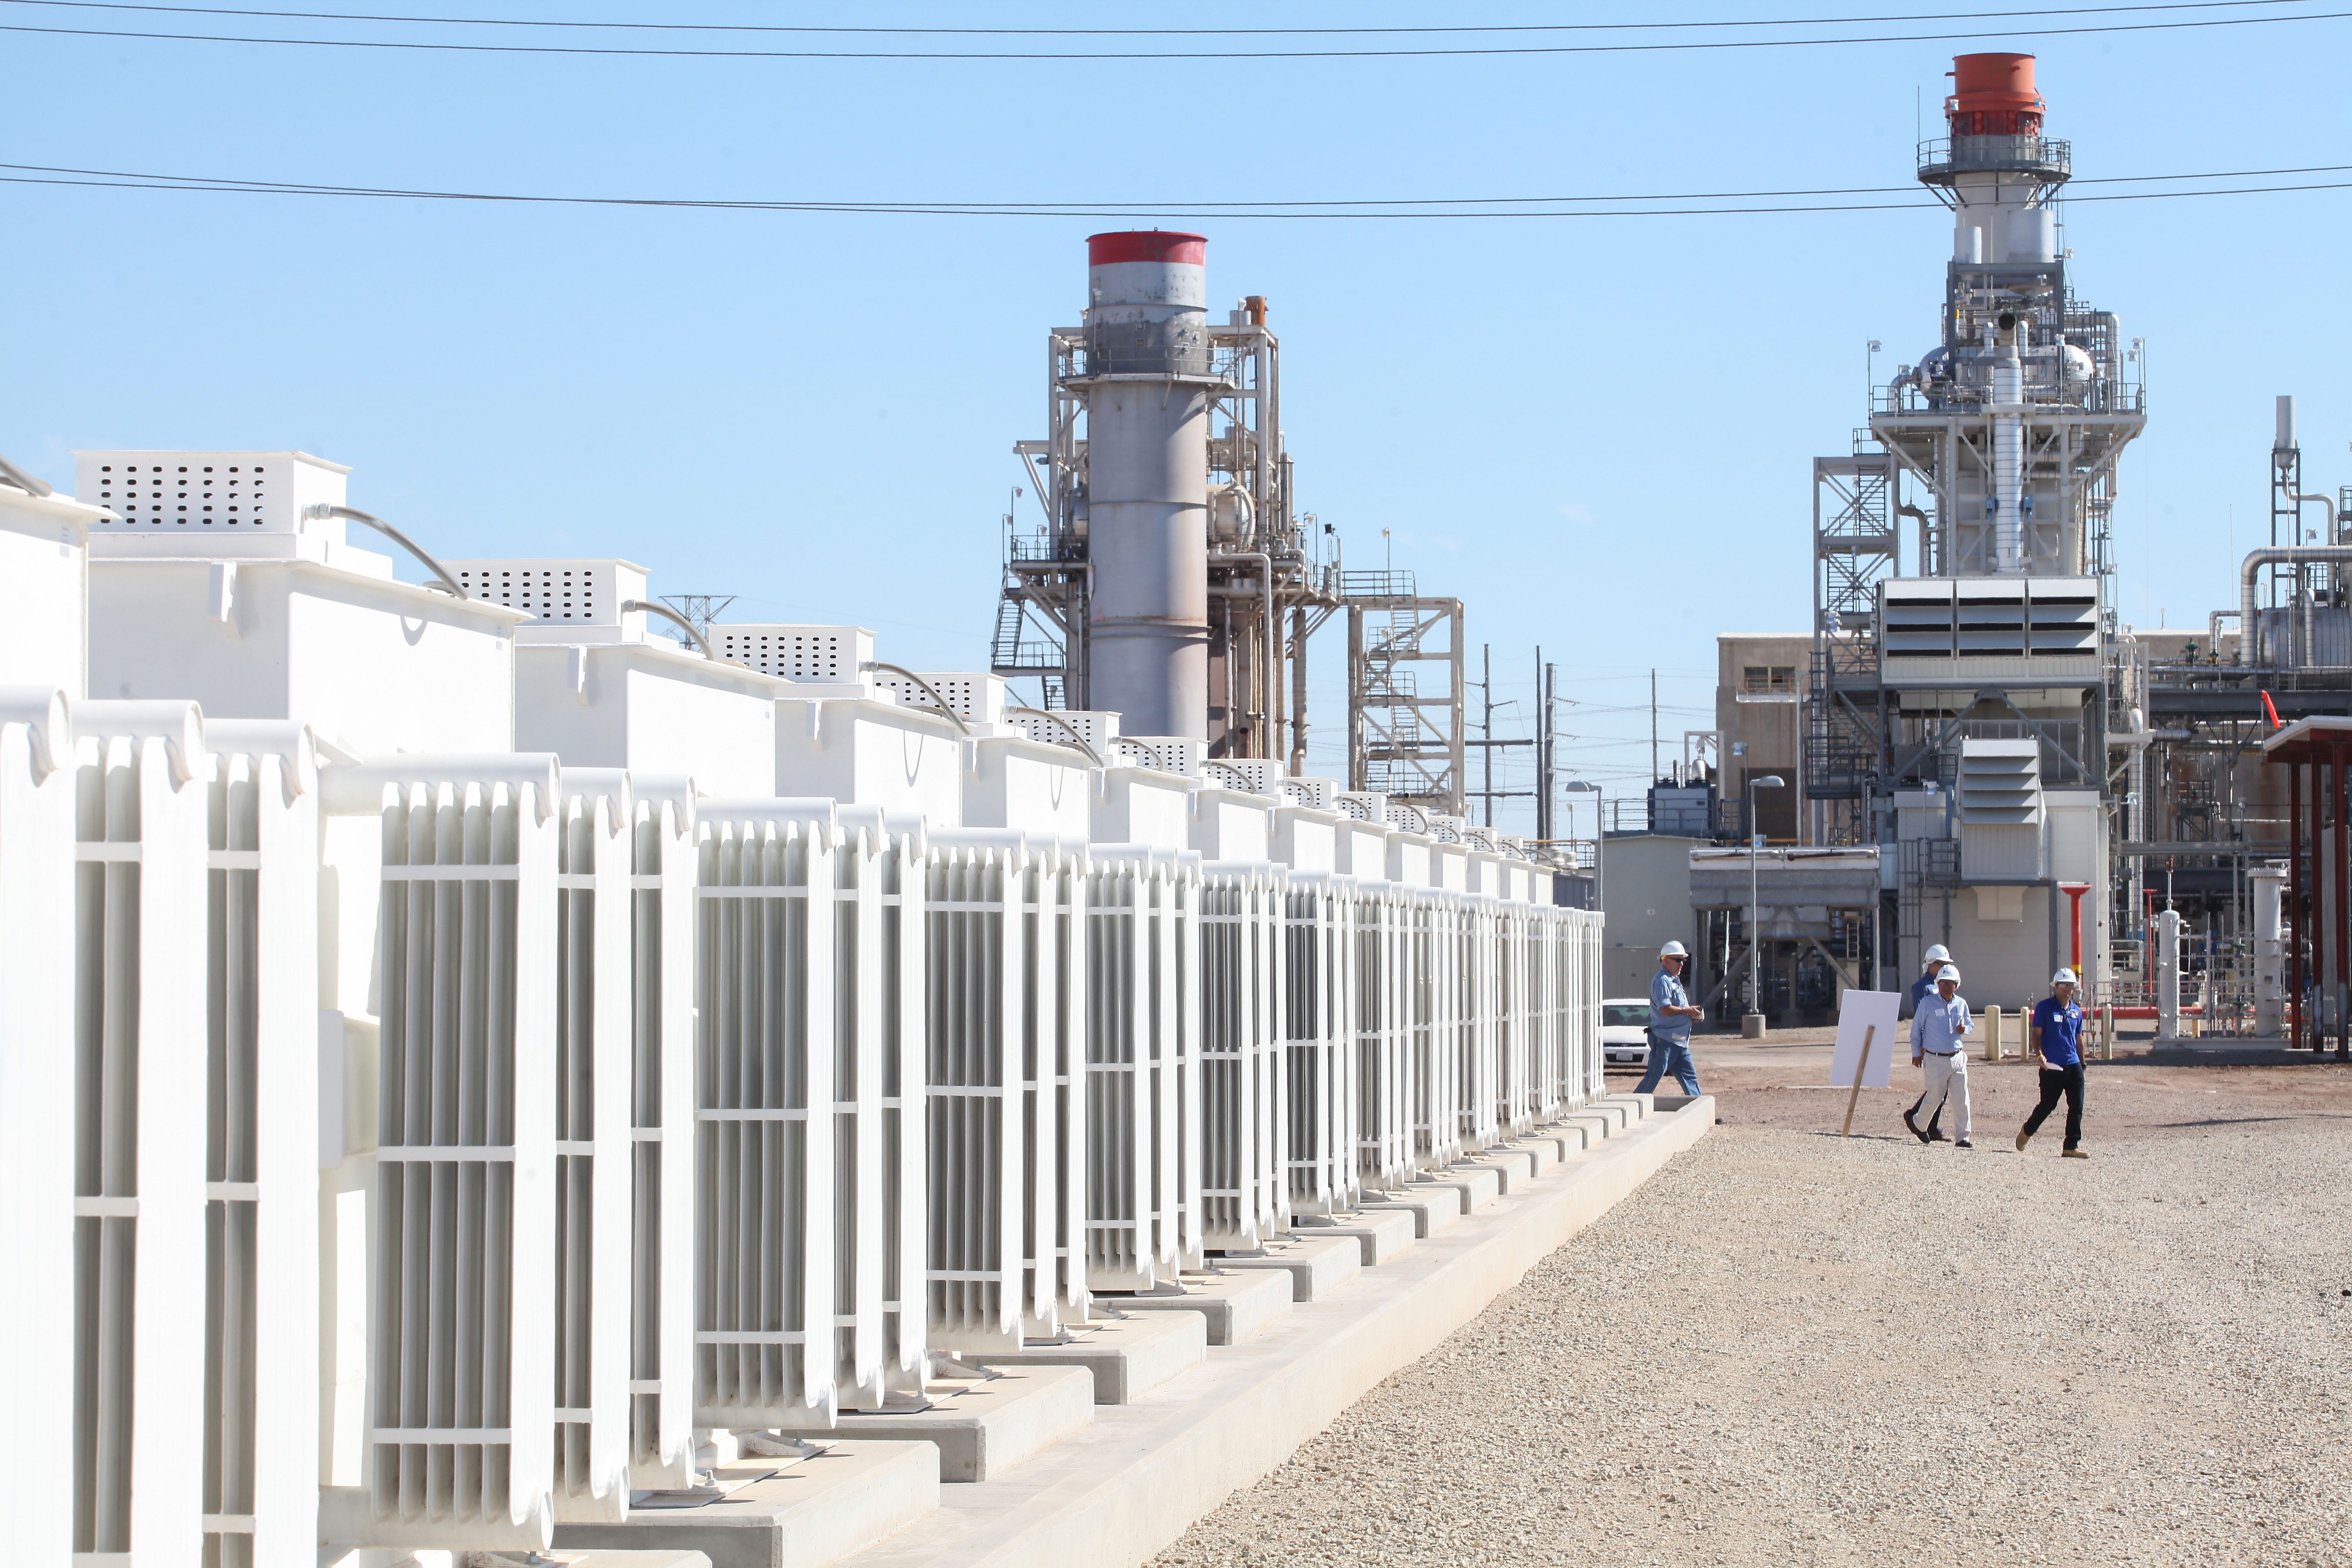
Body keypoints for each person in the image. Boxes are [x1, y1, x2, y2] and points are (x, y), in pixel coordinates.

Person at [2018, 967, 2091, 1158]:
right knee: (2048, 1104)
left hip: (2073, 1064)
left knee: (2077, 1106)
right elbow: (2036, 1034)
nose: (2068, 989)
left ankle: (2071, 1145)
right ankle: (2028, 1130)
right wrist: (2040, 1056)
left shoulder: (2076, 1012)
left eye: (2071, 985)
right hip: (2052, 1066)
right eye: (2064, 985)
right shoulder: (2045, 1007)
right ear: (2056, 987)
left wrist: (2082, 1064)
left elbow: (2079, 1039)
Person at [1907, 963, 1974, 1148]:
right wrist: (1916, 1053)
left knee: (1962, 1098)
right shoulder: (1928, 1004)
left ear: (1956, 986)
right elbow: (1916, 1029)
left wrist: (1965, 1029)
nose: (1946, 986)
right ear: (1937, 984)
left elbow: (1970, 1025)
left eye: (1950, 983)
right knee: (1935, 1097)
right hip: (1935, 1058)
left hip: (1958, 1058)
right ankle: (1919, 1123)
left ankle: (1963, 1137)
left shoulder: (1961, 1004)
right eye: (1942, 982)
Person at [1638, 940, 1706, 1097]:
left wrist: (1691, 1015)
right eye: (1678, 960)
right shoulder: (1663, 981)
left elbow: (1676, 1009)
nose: (1681, 964)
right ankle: (1630, 1108)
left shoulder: (1674, 980)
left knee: (1690, 1078)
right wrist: (1687, 1011)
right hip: (1666, 1041)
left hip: (1679, 1042)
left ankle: (1699, 1109)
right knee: (1653, 1078)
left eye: (1683, 960)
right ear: (1665, 960)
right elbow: (1665, 1009)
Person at [1902, 944, 1955, 1142]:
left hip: (1944, 1044)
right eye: (1941, 964)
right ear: (1930, 965)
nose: (1943, 968)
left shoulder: (1943, 984)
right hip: (1931, 1045)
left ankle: (1929, 1124)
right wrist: (1920, 1047)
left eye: (1946, 964)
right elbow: (1920, 1019)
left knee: (1943, 1086)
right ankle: (1917, 1117)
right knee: (1937, 1086)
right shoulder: (1922, 987)